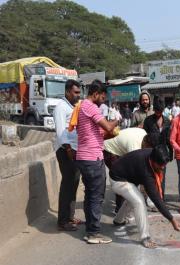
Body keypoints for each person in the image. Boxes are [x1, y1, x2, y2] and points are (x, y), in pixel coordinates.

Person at [110, 145, 180, 248]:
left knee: (133, 197)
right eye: (160, 165)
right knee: (139, 201)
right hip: (117, 179)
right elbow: (156, 198)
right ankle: (145, 238)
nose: (162, 167)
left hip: (126, 176)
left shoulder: (154, 153)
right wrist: (172, 219)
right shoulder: (146, 171)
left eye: (164, 165)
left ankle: (118, 220)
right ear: (153, 161)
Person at [75, 79, 119, 244]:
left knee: (90, 195)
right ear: (95, 94)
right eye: (102, 96)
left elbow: (99, 133)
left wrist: (110, 132)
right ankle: (93, 233)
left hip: (85, 157)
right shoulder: (90, 107)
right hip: (92, 158)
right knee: (96, 197)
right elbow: (108, 127)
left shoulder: (82, 107)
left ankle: (90, 229)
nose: (104, 100)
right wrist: (117, 120)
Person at [53, 79, 83, 231]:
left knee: (74, 184)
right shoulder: (60, 107)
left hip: (74, 150)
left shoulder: (73, 106)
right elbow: (60, 133)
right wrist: (69, 150)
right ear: (67, 92)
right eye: (75, 92)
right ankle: (63, 221)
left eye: (79, 92)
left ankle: (70, 217)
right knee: (67, 185)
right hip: (65, 151)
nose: (78, 95)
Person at [103, 127, 149, 214]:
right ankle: (119, 210)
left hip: (120, 150)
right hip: (109, 150)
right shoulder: (134, 147)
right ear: (146, 144)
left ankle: (122, 206)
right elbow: (134, 169)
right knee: (122, 180)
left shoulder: (144, 133)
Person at [143, 97, 173, 198]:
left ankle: (160, 198)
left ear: (163, 110)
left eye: (160, 111)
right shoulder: (148, 121)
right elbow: (144, 138)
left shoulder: (168, 122)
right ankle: (151, 198)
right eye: (156, 110)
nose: (158, 113)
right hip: (150, 153)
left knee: (161, 177)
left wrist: (171, 154)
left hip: (163, 154)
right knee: (151, 176)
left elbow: (169, 139)